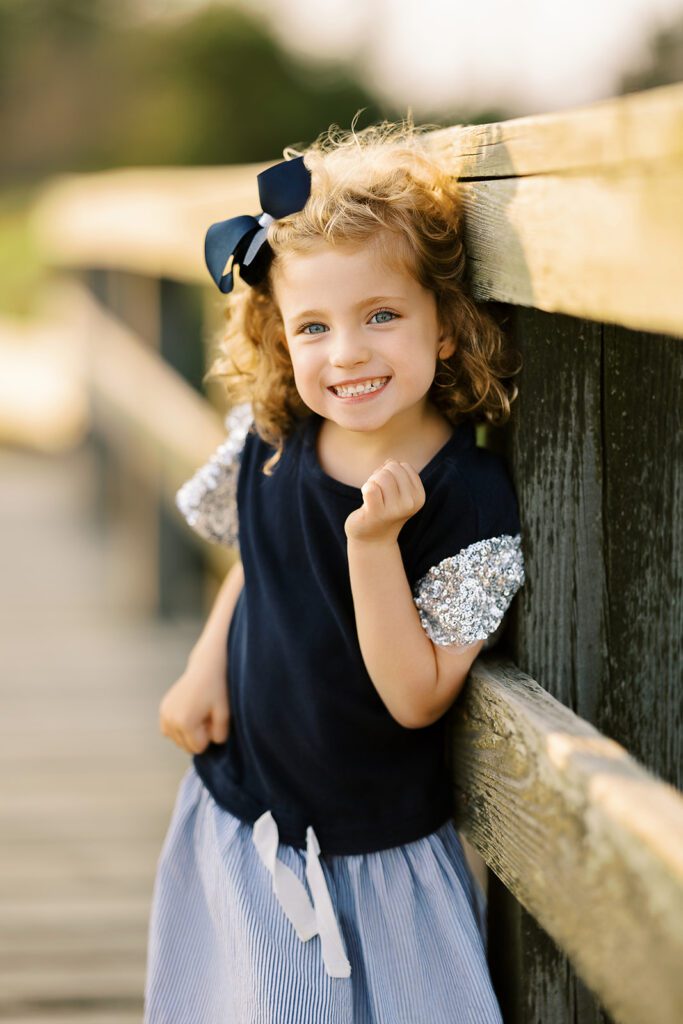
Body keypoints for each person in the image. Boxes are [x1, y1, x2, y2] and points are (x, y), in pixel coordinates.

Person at [143, 117, 526, 1024]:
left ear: (444, 326)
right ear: (280, 336)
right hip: (247, 817)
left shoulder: (466, 497)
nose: (346, 352)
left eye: (381, 315)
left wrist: (372, 545)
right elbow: (258, 561)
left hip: (373, 846)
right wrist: (205, 667)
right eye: (313, 326)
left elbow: (415, 696)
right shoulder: (277, 441)